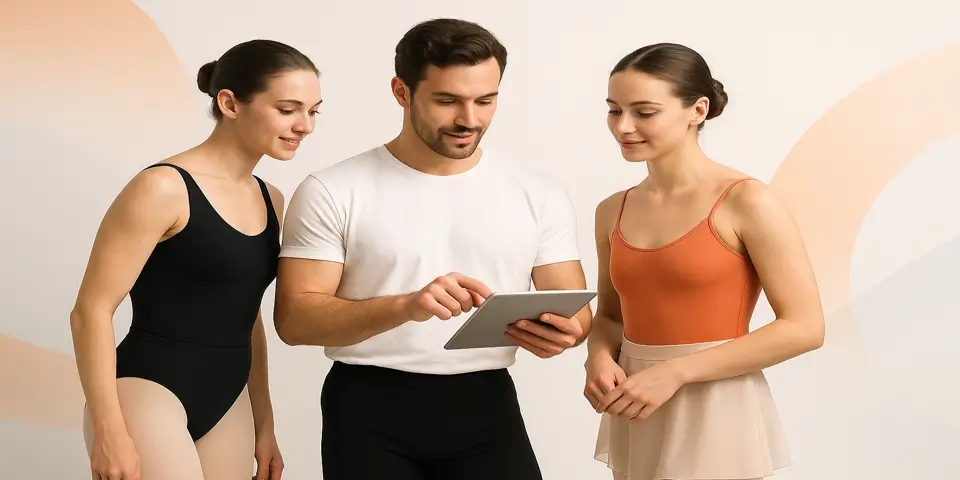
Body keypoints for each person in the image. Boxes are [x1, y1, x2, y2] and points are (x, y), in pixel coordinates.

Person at [274, 18, 591, 480]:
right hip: (368, 409)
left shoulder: (538, 193)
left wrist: (564, 333)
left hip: (487, 403)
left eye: (486, 100)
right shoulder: (332, 189)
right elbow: (295, 321)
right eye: (447, 101)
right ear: (401, 93)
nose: (470, 119)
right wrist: (407, 305)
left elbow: (575, 311)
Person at [68, 39, 322, 480]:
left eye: (313, 111)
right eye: (288, 109)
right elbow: (91, 309)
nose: (305, 125)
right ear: (230, 103)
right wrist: (109, 431)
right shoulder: (162, 188)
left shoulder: (272, 199)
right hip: (148, 389)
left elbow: (247, 314)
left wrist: (265, 422)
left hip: (228, 397)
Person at [585, 43, 825, 480]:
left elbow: (805, 327)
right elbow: (610, 317)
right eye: (614, 110)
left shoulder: (748, 200)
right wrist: (598, 356)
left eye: (644, 111)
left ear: (697, 109)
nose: (624, 126)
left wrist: (675, 373)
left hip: (715, 402)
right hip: (636, 402)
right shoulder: (611, 210)